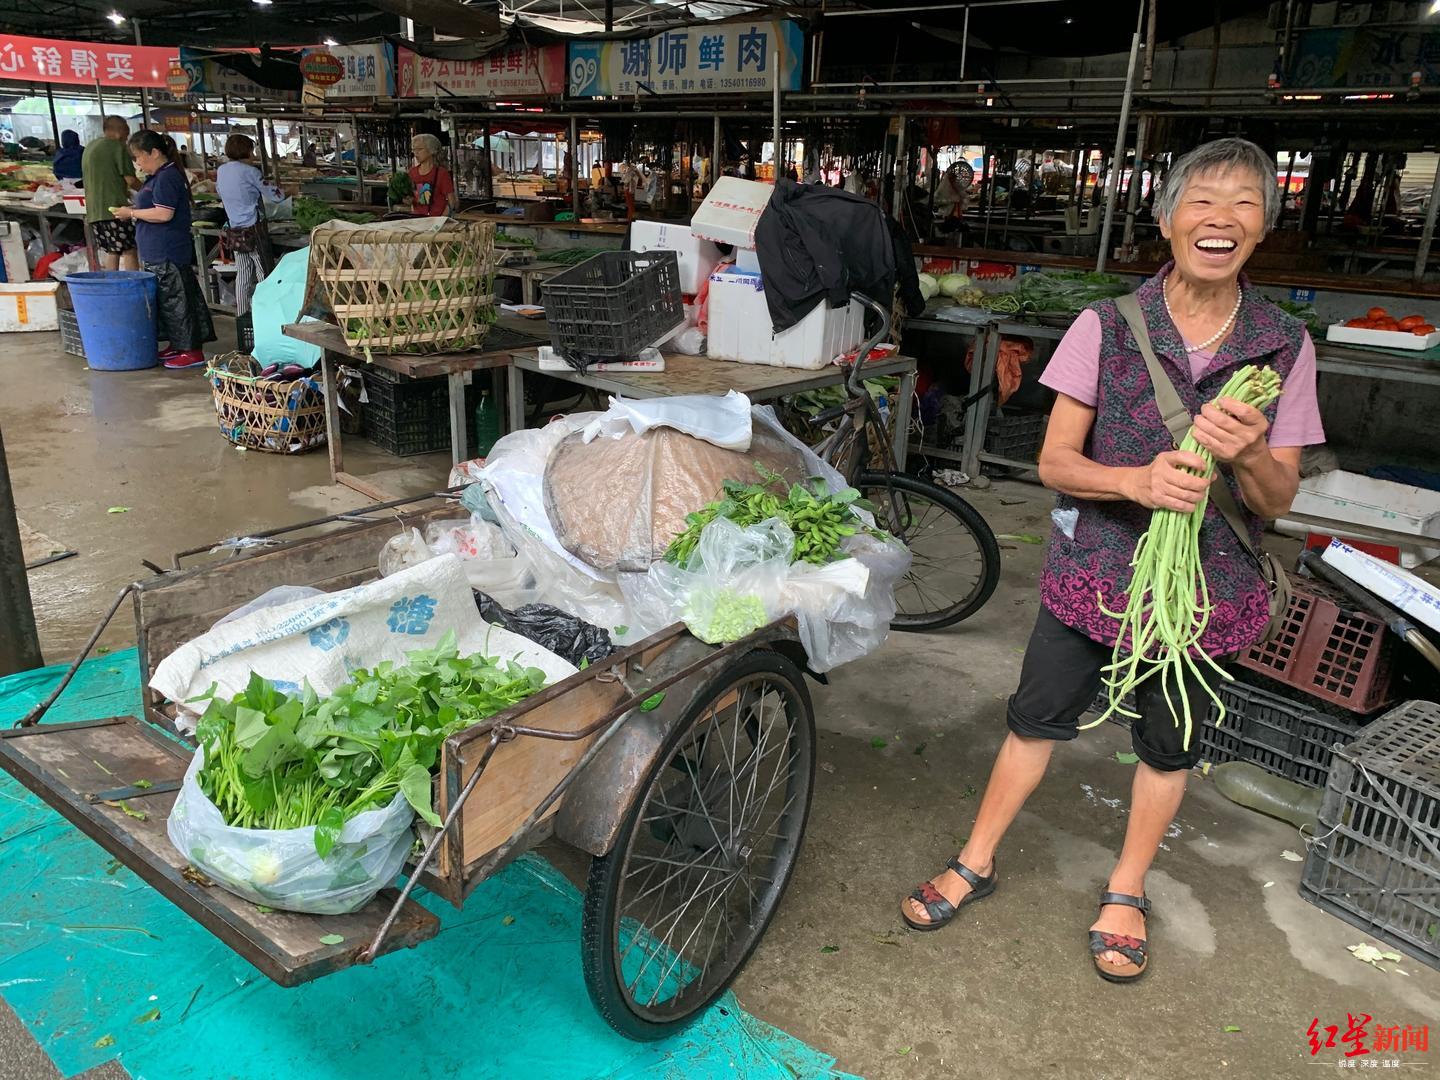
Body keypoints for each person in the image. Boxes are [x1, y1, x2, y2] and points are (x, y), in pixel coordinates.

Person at [898, 138, 1325, 983]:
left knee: (1168, 745)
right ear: (1166, 220)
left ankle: (1126, 889)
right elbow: (1056, 461)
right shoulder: (1106, 325)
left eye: (1244, 203)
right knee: (1035, 718)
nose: (1221, 218)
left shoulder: (1285, 346)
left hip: (1205, 589)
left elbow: (1279, 502)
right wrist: (1134, 478)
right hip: (1094, 564)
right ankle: (977, 859)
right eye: (1202, 200)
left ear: (1263, 230)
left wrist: (1245, 459)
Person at [113, 130, 215, 370]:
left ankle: (191, 350)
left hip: (168, 250)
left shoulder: (168, 177)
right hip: (155, 250)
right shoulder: (157, 177)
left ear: (154, 152)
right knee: (166, 301)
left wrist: (132, 213)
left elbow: (164, 213)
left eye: (139, 157)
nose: (137, 163)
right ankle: (177, 344)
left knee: (177, 300)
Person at [216, 133, 271, 318]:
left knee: (243, 273)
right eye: (252, 150)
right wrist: (288, 191)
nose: (253, 155)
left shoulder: (222, 171)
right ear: (246, 151)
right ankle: (265, 313)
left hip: (235, 230)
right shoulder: (251, 172)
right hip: (253, 230)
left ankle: (242, 314)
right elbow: (275, 195)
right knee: (264, 273)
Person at [82, 116, 140, 271]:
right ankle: (132, 286)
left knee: (112, 250)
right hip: (116, 210)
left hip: (94, 211)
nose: (128, 136)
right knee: (129, 250)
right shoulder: (117, 147)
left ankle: (112, 287)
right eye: (127, 131)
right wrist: (150, 191)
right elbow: (131, 180)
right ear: (121, 131)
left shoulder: (90, 147)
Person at [407, 133, 455, 217]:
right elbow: (414, 199)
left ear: (431, 150)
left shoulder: (442, 174)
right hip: (417, 220)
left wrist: (440, 221)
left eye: (420, 149)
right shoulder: (412, 173)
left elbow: (451, 202)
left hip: (437, 221)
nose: (416, 153)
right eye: (414, 150)